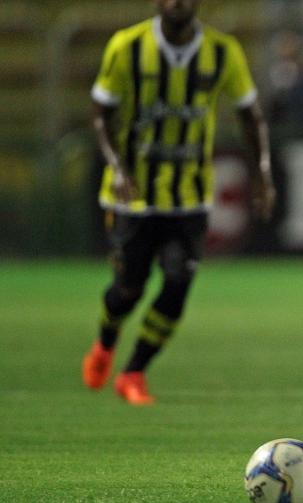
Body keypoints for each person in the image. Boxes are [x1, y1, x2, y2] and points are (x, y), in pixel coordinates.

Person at [81, 0, 276, 405]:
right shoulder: (126, 47)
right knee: (127, 290)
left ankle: (133, 372)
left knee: (177, 283)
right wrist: (116, 166)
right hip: (131, 197)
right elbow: (100, 113)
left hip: (189, 196)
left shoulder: (223, 52)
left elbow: (250, 114)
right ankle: (104, 344)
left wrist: (262, 171)